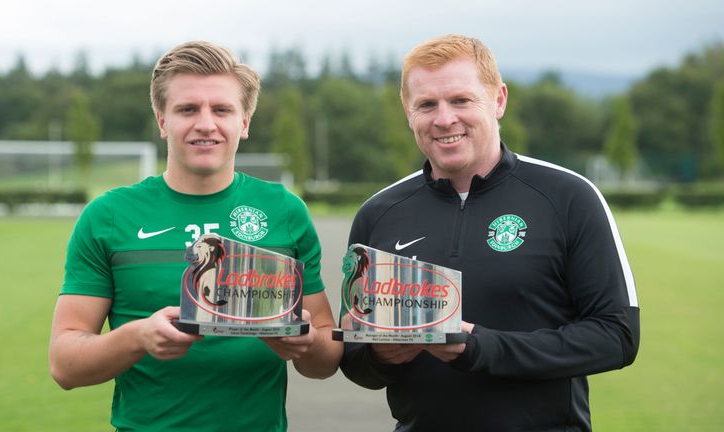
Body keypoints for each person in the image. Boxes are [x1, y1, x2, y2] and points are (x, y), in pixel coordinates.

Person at [339, 34, 640, 431]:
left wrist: (479, 347)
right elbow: (356, 361)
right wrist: (380, 356)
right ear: (407, 112)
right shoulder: (378, 213)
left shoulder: (569, 197)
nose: (444, 119)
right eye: (427, 104)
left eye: (461, 100)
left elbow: (616, 336)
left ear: (498, 100)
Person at [49, 41, 342, 432]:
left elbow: (325, 358)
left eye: (222, 109)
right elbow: (64, 364)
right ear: (162, 120)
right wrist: (137, 337)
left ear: (245, 121)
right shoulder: (109, 216)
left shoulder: (285, 211)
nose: (206, 123)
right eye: (187, 109)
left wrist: (303, 343)